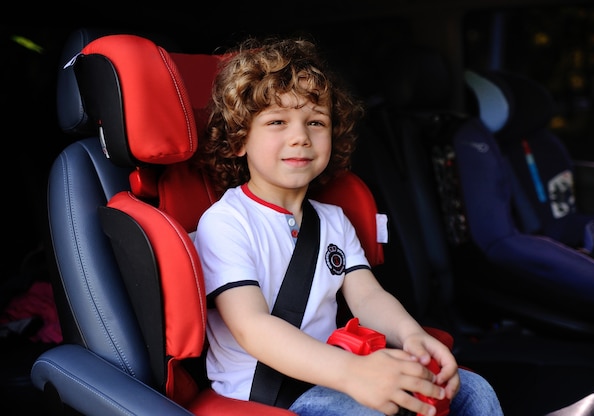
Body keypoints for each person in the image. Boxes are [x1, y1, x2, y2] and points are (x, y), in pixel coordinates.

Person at [193, 36, 504, 416]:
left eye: (315, 122)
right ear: (240, 139)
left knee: (473, 391)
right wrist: (352, 372)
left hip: (337, 374)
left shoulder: (332, 220)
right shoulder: (226, 222)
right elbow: (251, 327)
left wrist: (411, 336)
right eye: (277, 121)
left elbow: (368, 298)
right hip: (270, 394)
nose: (300, 137)